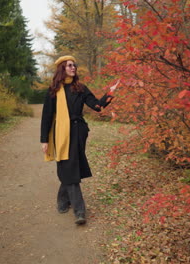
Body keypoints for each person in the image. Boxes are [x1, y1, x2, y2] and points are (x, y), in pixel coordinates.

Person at [40, 55, 119, 225]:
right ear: (62, 68)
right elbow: (46, 116)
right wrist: (44, 139)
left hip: (78, 131)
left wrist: (110, 93)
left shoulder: (80, 88)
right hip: (61, 133)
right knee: (69, 167)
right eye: (69, 65)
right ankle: (79, 211)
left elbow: (97, 106)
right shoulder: (53, 90)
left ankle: (62, 200)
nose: (73, 68)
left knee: (70, 166)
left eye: (74, 65)